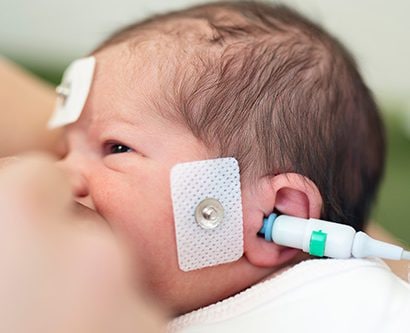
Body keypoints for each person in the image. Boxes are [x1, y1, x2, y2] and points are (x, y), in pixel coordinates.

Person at [1, 2, 409, 332]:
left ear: (275, 217)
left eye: (117, 147)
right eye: (61, 150)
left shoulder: (348, 303)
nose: (60, 174)